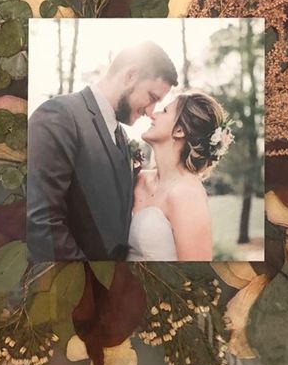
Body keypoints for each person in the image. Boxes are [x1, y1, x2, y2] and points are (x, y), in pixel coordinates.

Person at [27, 41, 178, 260]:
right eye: (152, 98)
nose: (151, 111)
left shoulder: (122, 137)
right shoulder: (60, 116)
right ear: (130, 76)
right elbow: (41, 223)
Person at [128, 91, 232, 262]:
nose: (153, 114)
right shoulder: (138, 179)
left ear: (179, 130)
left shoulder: (187, 194)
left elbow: (196, 272)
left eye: (165, 111)